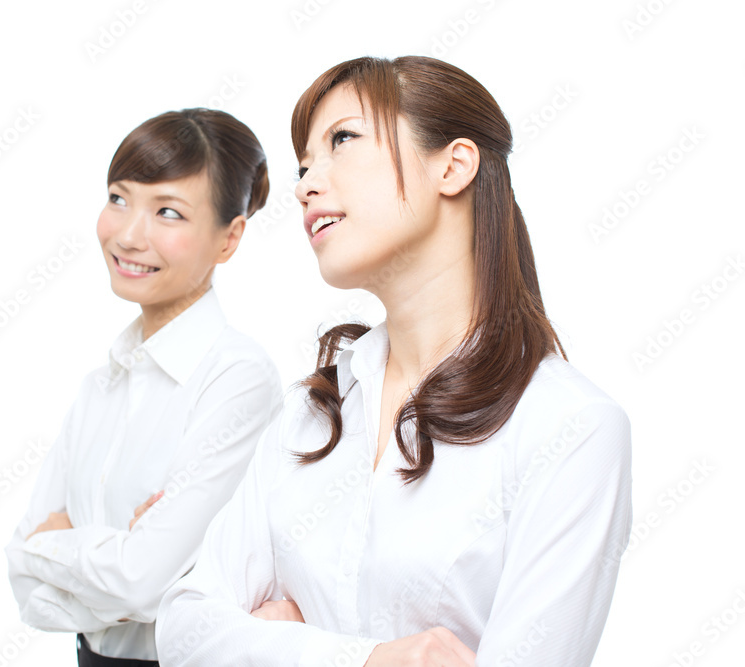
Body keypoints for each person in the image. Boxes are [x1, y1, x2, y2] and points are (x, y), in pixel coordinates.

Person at [155, 56, 633, 667]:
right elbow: (183, 630)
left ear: (453, 165)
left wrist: (269, 642)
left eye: (342, 140)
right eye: (303, 164)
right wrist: (368, 659)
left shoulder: (571, 427)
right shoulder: (312, 409)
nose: (304, 184)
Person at [4, 107, 283, 666]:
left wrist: (55, 548)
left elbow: (139, 584)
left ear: (229, 238)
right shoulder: (100, 384)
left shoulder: (238, 379)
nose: (129, 234)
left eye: (169, 213)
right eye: (118, 198)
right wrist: (118, 565)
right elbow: (20, 575)